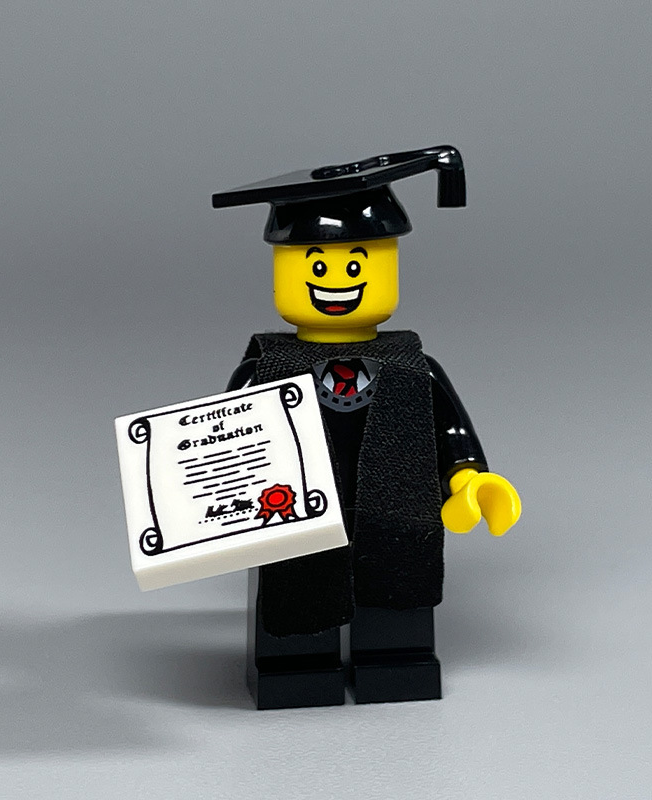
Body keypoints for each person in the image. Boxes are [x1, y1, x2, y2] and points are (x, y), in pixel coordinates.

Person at [213, 146, 521, 709]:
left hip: (396, 503)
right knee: (296, 588)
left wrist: (468, 478)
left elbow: (450, 431)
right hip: (295, 509)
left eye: (357, 265)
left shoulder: (412, 365)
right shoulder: (268, 368)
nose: (336, 281)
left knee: (399, 580)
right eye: (316, 265)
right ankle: (294, 666)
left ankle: (395, 661)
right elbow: (224, 439)